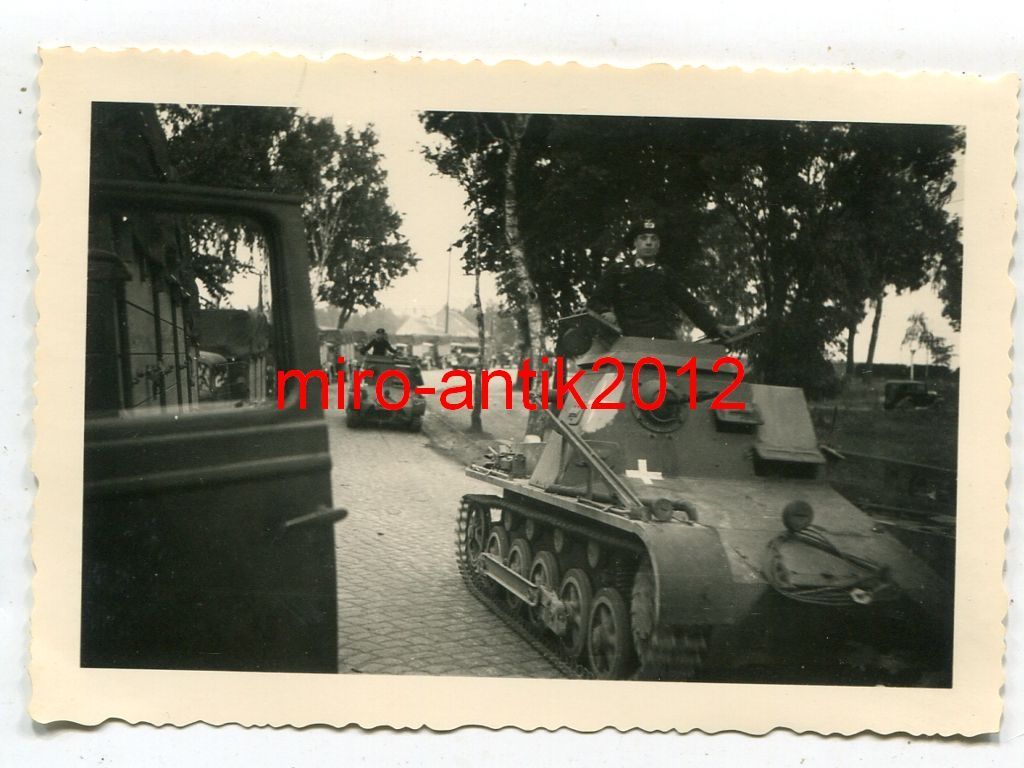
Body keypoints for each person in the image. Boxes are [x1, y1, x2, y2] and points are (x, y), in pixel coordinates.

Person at [588, 218, 730, 340]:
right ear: (635, 242)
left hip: (661, 341)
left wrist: (714, 327)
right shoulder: (618, 271)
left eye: (654, 238)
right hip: (628, 339)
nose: (648, 242)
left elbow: (688, 303)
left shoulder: (665, 274)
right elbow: (596, 301)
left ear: (659, 244)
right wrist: (605, 312)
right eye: (643, 238)